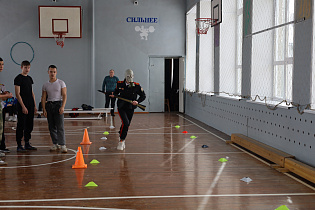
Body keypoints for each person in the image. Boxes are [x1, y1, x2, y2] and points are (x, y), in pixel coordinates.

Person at [113, 69, 146, 150]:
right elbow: (116, 92)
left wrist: (137, 101)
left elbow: (143, 96)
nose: (130, 79)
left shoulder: (137, 86)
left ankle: (121, 135)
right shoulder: (120, 84)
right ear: (125, 77)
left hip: (131, 108)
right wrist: (113, 95)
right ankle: (121, 141)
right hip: (121, 107)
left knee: (126, 124)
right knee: (126, 122)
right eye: (128, 77)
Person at [41, 65, 67, 153]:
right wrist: (44, 109)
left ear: (56, 72)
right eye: (51, 71)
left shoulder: (61, 83)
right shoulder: (45, 84)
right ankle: (55, 144)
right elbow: (43, 97)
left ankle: (62, 144)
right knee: (51, 126)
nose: (52, 73)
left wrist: (62, 106)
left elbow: (64, 95)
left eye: (54, 72)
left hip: (58, 104)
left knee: (60, 126)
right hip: (49, 105)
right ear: (48, 72)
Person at [14, 60, 37, 152]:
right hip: (22, 105)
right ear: (21, 67)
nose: (27, 69)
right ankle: (19, 144)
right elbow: (17, 94)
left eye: (28, 68)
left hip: (30, 104)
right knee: (21, 125)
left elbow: (32, 93)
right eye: (25, 67)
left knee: (29, 125)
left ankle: (27, 143)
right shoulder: (18, 78)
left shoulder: (30, 79)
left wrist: (35, 105)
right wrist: (23, 106)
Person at [0, 57, 13, 164]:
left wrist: (6, 95)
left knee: (1, 130)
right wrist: (5, 95)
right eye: (0, 64)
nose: (1, 66)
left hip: (1, 108)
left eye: (2, 64)